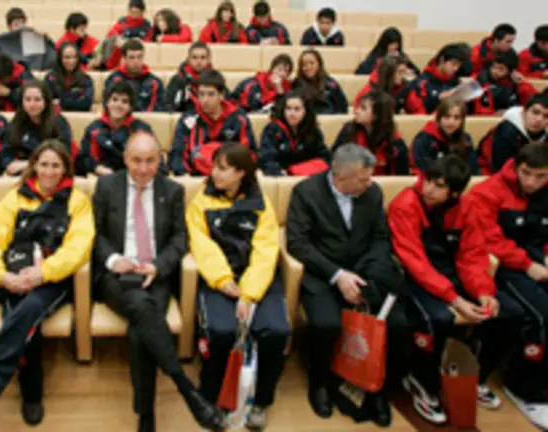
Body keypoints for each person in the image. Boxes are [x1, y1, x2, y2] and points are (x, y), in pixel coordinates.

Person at [92, 132, 224, 432]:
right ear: (125, 159)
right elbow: (95, 234)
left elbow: (180, 238)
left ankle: (146, 412)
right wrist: (114, 260)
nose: (143, 168)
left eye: (150, 161)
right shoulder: (106, 186)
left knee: (141, 332)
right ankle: (186, 388)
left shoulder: (172, 190)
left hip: (155, 274)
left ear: (159, 160)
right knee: (141, 307)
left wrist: (157, 266)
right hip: (116, 275)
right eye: (136, 160)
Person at [0, 141, 95, 426]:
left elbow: (78, 248)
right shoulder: (14, 198)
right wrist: (1, 275)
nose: (49, 171)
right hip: (14, 277)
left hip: (51, 280)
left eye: (55, 165)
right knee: (23, 315)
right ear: (33, 166)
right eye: (43, 164)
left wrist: (44, 273)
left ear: (65, 169)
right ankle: (17, 390)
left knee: (27, 308)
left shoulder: (77, 201)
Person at [388, 156, 518, 424]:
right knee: (438, 319)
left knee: (506, 313)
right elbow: (414, 261)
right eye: (428, 181)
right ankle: (422, 381)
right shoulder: (405, 204)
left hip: (451, 271)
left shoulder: (467, 206)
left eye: (439, 186)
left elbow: (472, 255)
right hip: (414, 275)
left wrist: (483, 292)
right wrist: (455, 299)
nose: (428, 189)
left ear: (455, 193)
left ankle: (474, 377)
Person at [286, 144, 406, 427]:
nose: (370, 183)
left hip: (365, 272)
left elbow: (380, 238)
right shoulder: (307, 193)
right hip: (324, 273)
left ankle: (377, 389)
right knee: (327, 325)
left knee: (397, 323)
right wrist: (338, 275)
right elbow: (298, 243)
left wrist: (364, 277)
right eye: (363, 179)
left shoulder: (372, 194)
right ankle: (320, 384)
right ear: (341, 177)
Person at [186, 142, 289, 430]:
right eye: (214, 166)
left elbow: (266, 250)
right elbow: (202, 246)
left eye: (222, 168)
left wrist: (248, 293)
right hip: (220, 279)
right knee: (222, 331)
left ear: (241, 173)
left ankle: (261, 401)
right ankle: (210, 395)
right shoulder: (201, 201)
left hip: (257, 279)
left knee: (276, 331)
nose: (214, 173)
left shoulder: (260, 202)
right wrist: (224, 282)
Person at [468, 143, 548, 429]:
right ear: (516, 167)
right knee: (541, 316)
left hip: (539, 263)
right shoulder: (488, 192)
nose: (532, 182)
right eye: (527, 174)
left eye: (541, 177)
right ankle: (525, 389)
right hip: (504, 266)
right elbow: (489, 241)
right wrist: (527, 265)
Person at [169, 70, 256, 176]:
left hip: (230, 177)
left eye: (211, 94)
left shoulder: (238, 118)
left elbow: (249, 154)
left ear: (221, 95)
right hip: (196, 176)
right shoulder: (188, 119)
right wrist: (184, 174)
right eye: (201, 94)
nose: (205, 100)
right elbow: (177, 153)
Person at [0, 80, 76, 177]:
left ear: (46, 101)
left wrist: (30, 164)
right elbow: (6, 157)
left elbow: (64, 155)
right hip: (23, 175)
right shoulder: (15, 124)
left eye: (37, 100)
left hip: (52, 174)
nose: (32, 104)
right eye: (27, 99)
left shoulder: (59, 123)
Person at [77, 81, 154, 176]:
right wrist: (96, 168)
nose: (118, 105)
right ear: (107, 103)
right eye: (114, 99)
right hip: (101, 177)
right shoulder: (94, 128)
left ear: (130, 107)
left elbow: (155, 161)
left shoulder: (142, 130)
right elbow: (82, 160)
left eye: (124, 101)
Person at [333, 90, 409, 175]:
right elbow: (334, 161)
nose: (356, 111)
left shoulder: (396, 144)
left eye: (363, 108)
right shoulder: (348, 132)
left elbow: (400, 177)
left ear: (377, 115)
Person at [259, 90, 329, 176]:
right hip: (280, 179)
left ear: (306, 111)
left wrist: (295, 171)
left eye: (297, 109)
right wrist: (281, 173)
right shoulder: (272, 129)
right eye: (288, 108)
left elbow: (324, 159)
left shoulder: (313, 131)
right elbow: (266, 159)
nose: (291, 113)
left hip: (307, 177)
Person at [477, 94, 548, 174]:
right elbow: (500, 169)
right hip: (491, 174)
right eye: (535, 112)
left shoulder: (545, 134)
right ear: (523, 112)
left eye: (546, 116)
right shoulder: (506, 131)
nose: (539, 119)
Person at [412, 98, 477, 174]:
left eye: (456, 117)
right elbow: (425, 169)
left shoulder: (466, 139)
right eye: (446, 117)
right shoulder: (424, 139)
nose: (451, 122)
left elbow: (471, 168)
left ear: (462, 121)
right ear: (438, 118)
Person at [104, 40, 167, 112]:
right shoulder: (113, 79)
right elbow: (107, 105)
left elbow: (161, 108)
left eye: (139, 57)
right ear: (124, 59)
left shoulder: (155, 82)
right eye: (131, 57)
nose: (136, 61)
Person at [353, 54, 425, 114]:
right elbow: (359, 114)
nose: (403, 76)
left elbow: (419, 112)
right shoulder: (369, 91)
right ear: (388, 73)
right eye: (400, 72)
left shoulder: (406, 88)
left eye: (404, 72)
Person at [472, 49, 537, 116]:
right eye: (494, 67)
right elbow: (483, 114)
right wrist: (496, 114)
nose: (495, 71)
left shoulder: (516, 83)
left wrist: (522, 83)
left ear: (510, 71)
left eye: (501, 69)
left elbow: (534, 103)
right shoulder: (481, 80)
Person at [412, 43, 468, 114]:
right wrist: (438, 99)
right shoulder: (422, 82)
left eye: (458, 65)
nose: (456, 68)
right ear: (442, 59)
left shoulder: (456, 82)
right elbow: (418, 111)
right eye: (453, 64)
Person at [100, 0, 153, 71]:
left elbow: (147, 40)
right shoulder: (122, 22)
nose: (133, 15)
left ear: (142, 12)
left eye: (136, 12)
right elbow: (110, 35)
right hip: (118, 53)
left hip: (136, 51)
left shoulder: (147, 26)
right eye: (131, 12)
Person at [291, 49, 348, 114]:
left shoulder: (331, 84)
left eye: (312, 63)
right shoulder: (296, 84)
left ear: (319, 64)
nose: (308, 67)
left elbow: (342, 108)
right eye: (304, 64)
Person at [44, 43, 95, 112]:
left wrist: (60, 102)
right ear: (60, 58)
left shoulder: (86, 79)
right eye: (67, 57)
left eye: (74, 57)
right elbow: (46, 101)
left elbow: (87, 103)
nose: (72, 61)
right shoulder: (50, 77)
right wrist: (76, 100)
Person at [165, 42, 212, 113]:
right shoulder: (177, 80)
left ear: (208, 60)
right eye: (194, 57)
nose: (199, 61)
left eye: (203, 57)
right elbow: (167, 105)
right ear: (188, 59)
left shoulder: (216, 80)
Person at [355, 27, 420, 75]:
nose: (394, 47)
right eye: (391, 44)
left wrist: (406, 71)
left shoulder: (401, 56)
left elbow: (417, 72)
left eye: (397, 44)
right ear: (385, 43)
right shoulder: (376, 55)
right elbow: (359, 72)